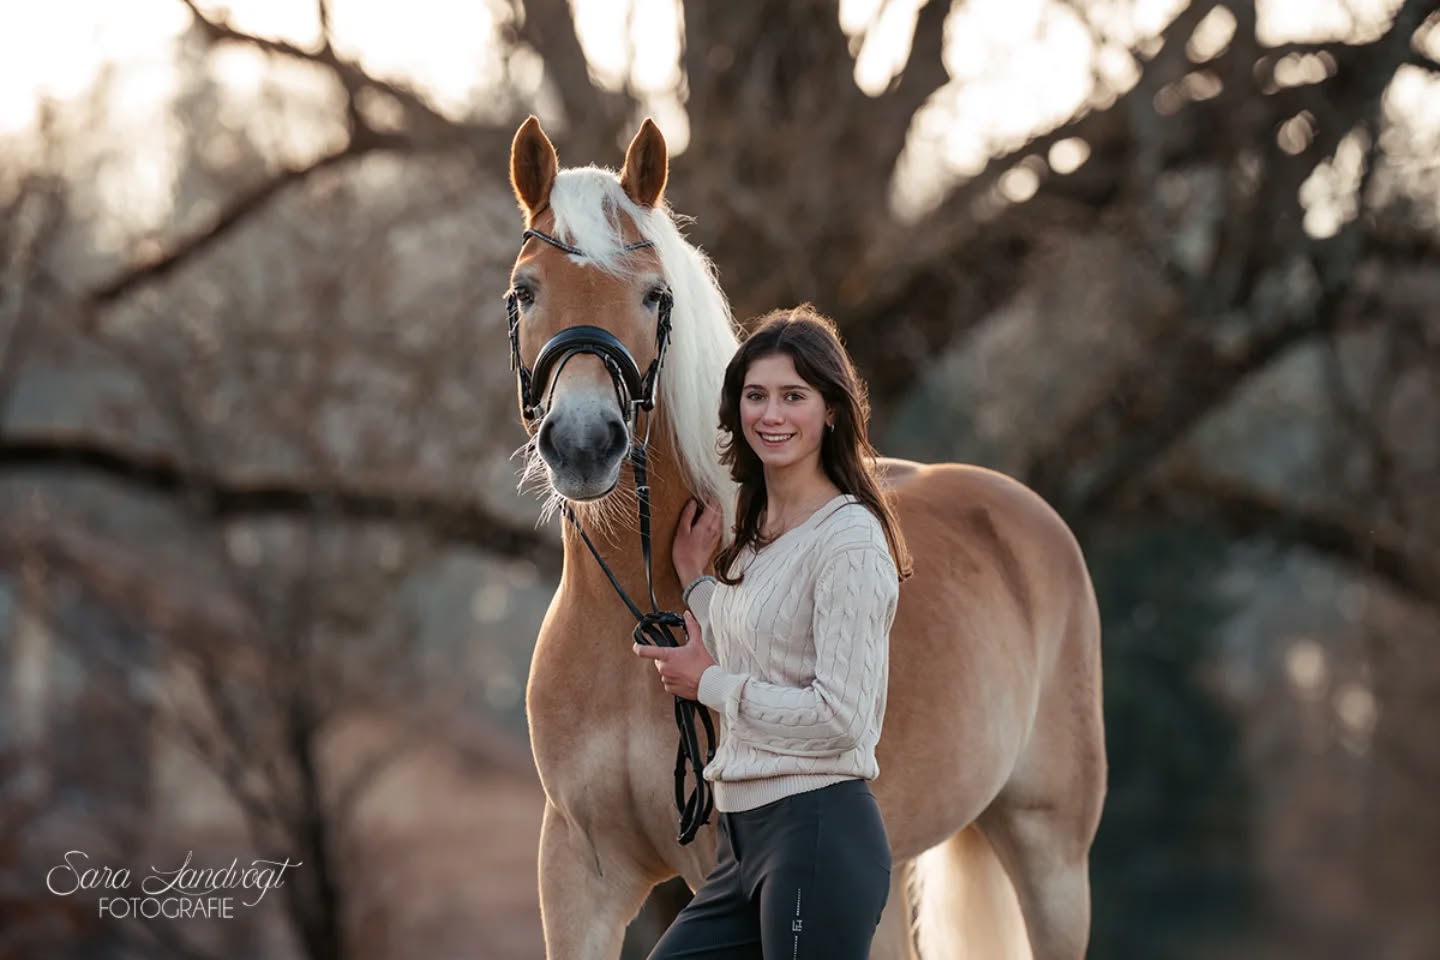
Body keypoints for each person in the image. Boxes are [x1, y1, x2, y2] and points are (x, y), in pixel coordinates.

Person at [633, 304, 913, 959]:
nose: (772, 414)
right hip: (743, 840)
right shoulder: (756, 539)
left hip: (817, 832)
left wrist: (711, 685)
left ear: (831, 411)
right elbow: (761, 643)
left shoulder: (849, 542)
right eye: (756, 396)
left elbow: (841, 718)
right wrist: (698, 582)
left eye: (794, 396)